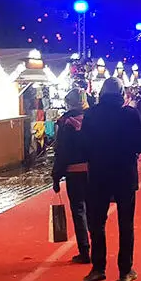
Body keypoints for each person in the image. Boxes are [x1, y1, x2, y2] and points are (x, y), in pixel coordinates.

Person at [81, 78, 141, 281]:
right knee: (125, 223)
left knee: (97, 223)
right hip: (124, 174)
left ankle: (98, 267)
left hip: (99, 174)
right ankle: (125, 270)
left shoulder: (91, 114)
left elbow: (84, 145)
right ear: (121, 93)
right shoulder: (130, 114)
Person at [52, 88, 91, 264]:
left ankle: (84, 250)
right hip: (93, 171)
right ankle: (97, 248)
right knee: (93, 210)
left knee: (78, 211)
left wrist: (56, 176)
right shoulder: (93, 119)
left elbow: (62, 152)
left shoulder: (65, 123)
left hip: (74, 173)